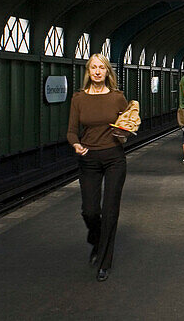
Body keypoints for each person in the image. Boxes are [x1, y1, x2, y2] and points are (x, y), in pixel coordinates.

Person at [67, 53, 129, 282]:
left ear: (107, 72)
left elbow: (128, 125)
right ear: (88, 71)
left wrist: (125, 132)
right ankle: (96, 237)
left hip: (114, 158)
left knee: (110, 210)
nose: (97, 71)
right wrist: (75, 144)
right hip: (88, 159)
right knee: (90, 210)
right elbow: (72, 130)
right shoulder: (78, 99)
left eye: (101, 68)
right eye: (93, 68)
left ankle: (104, 262)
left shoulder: (117, 98)